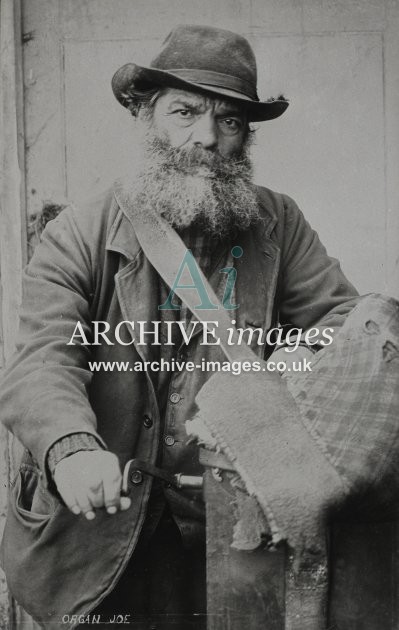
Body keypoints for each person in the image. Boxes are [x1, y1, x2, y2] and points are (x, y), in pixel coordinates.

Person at [0, 24, 359, 629]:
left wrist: (269, 388)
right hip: (99, 537)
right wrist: (71, 450)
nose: (207, 139)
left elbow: (346, 328)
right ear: (146, 116)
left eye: (230, 122)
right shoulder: (79, 234)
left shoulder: (279, 225)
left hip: (233, 526)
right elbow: (42, 360)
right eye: (185, 113)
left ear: (246, 136)